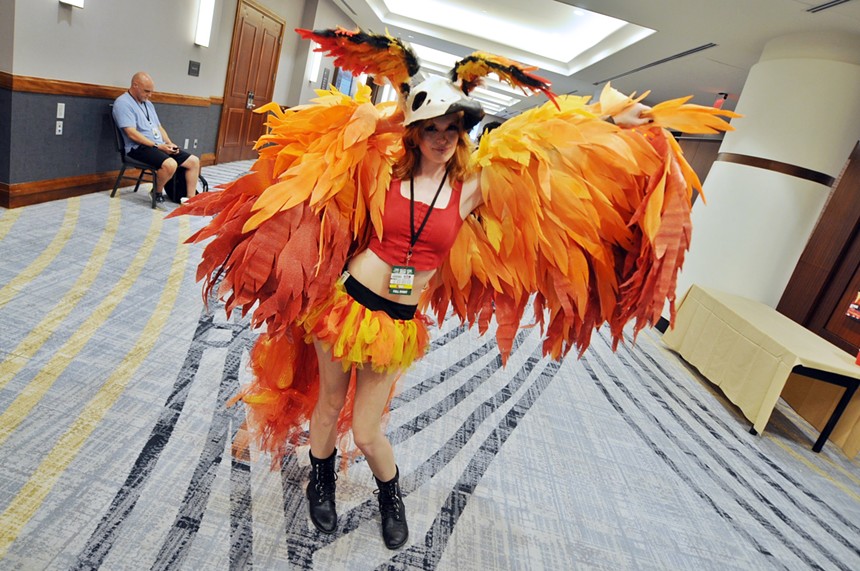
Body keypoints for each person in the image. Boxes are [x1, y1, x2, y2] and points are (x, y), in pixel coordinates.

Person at [174, 27, 735, 552]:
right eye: (433, 128)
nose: (443, 138)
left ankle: (389, 495)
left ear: (463, 134)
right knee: (326, 404)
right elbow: (341, 154)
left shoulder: (471, 187)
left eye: (453, 129)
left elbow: (547, 150)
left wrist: (615, 119)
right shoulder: (385, 172)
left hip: (397, 320)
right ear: (415, 132)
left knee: (368, 429)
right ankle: (320, 484)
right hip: (346, 301)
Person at [113, 72, 200, 204]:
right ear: (135, 85)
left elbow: (159, 127)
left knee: (194, 161)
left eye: (151, 92)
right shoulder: (122, 103)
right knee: (170, 164)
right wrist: (156, 146)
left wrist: (169, 143)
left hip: (158, 146)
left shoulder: (148, 104)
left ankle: (191, 199)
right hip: (138, 148)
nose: (149, 95)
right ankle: (156, 192)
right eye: (146, 91)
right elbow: (131, 133)